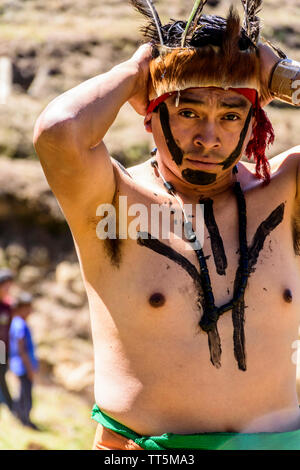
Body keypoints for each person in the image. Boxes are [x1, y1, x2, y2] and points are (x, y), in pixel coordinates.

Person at [33, 0, 300, 450]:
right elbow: (60, 130)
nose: (209, 138)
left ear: (254, 121)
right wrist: (138, 72)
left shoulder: (287, 191)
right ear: (150, 113)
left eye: (231, 116)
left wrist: (287, 77)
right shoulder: (113, 200)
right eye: (188, 111)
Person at [9, 292, 39, 429]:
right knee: (26, 394)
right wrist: (29, 368)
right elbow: (22, 349)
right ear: (20, 308)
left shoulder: (16, 322)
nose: (30, 311)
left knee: (22, 392)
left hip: (18, 365)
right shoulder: (20, 324)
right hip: (22, 366)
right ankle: (25, 420)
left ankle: (21, 416)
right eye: (28, 308)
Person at [0, 268, 14, 412]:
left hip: (3, 348)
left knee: (2, 374)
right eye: (6, 285)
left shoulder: (9, 306)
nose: (8, 288)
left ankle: (8, 404)